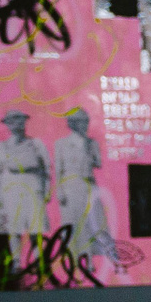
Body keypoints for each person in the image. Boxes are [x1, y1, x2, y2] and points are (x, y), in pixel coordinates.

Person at [51, 107, 115, 271]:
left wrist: (88, 148)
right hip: (71, 188)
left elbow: (98, 163)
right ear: (72, 123)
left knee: (92, 223)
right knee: (74, 224)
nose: (85, 124)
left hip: (89, 186)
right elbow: (58, 169)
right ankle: (75, 259)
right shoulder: (61, 144)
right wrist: (59, 191)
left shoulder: (91, 143)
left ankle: (91, 259)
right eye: (81, 121)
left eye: (86, 121)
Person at [0, 110, 49, 273]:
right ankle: (16, 262)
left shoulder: (36, 144)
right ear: (7, 125)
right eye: (12, 121)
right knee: (14, 229)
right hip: (11, 191)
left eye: (20, 120)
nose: (17, 124)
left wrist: (46, 190)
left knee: (35, 229)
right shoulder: (1, 147)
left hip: (33, 189)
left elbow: (47, 169)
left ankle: (38, 261)